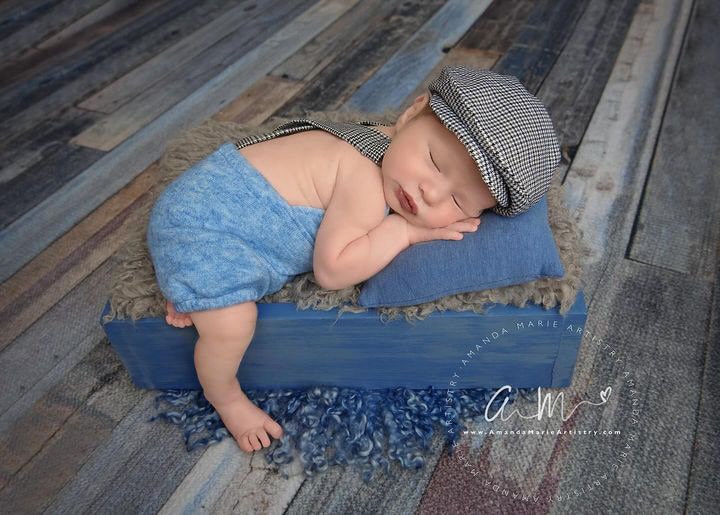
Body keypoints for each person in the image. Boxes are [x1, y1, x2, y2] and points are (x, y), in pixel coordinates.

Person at [146, 66, 562, 453]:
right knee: (232, 325)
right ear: (411, 112)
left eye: (457, 200)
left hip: (201, 200)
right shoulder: (363, 177)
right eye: (434, 162)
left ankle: (189, 285)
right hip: (207, 226)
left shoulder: (375, 139)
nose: (430, 193)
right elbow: (332, 271)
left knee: (211, 284)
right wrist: (401, 232)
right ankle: (225, 397)